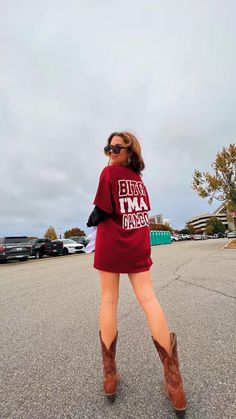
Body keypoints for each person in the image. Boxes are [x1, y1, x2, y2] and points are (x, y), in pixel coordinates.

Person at [87, 132, 186, 413]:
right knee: (149, 299)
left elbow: (101, 210)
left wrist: (94, 215)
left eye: (117, 148)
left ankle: (110, 376)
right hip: (137, 244)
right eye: (108, 148)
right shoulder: (139, 182)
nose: (110, 152)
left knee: (108, 300)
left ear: (131, 151)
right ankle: (175, 384)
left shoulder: (109, 174)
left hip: (111, 243)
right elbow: (137, 214)